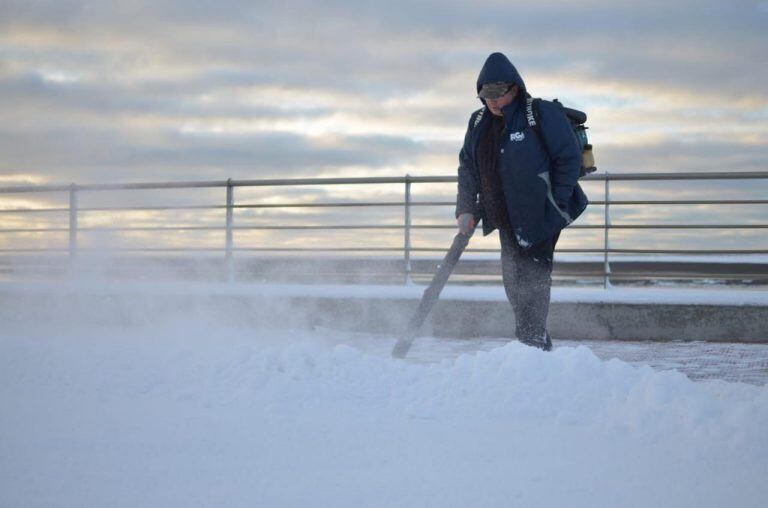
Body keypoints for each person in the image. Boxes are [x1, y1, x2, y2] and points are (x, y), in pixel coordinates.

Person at [455, 52, 588, 351]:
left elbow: (567, 158)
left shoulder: (538, 113)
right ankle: (535, 346)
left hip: (540, 214)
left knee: (533, 280)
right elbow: (468, 166)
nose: (490, 100)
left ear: (514, 88)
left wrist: (556, 202)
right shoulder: (478, 122)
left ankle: (531, 345)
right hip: (505, 216)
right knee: (512, 281)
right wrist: (465, 207)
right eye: (483, 93)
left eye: (496, 92)